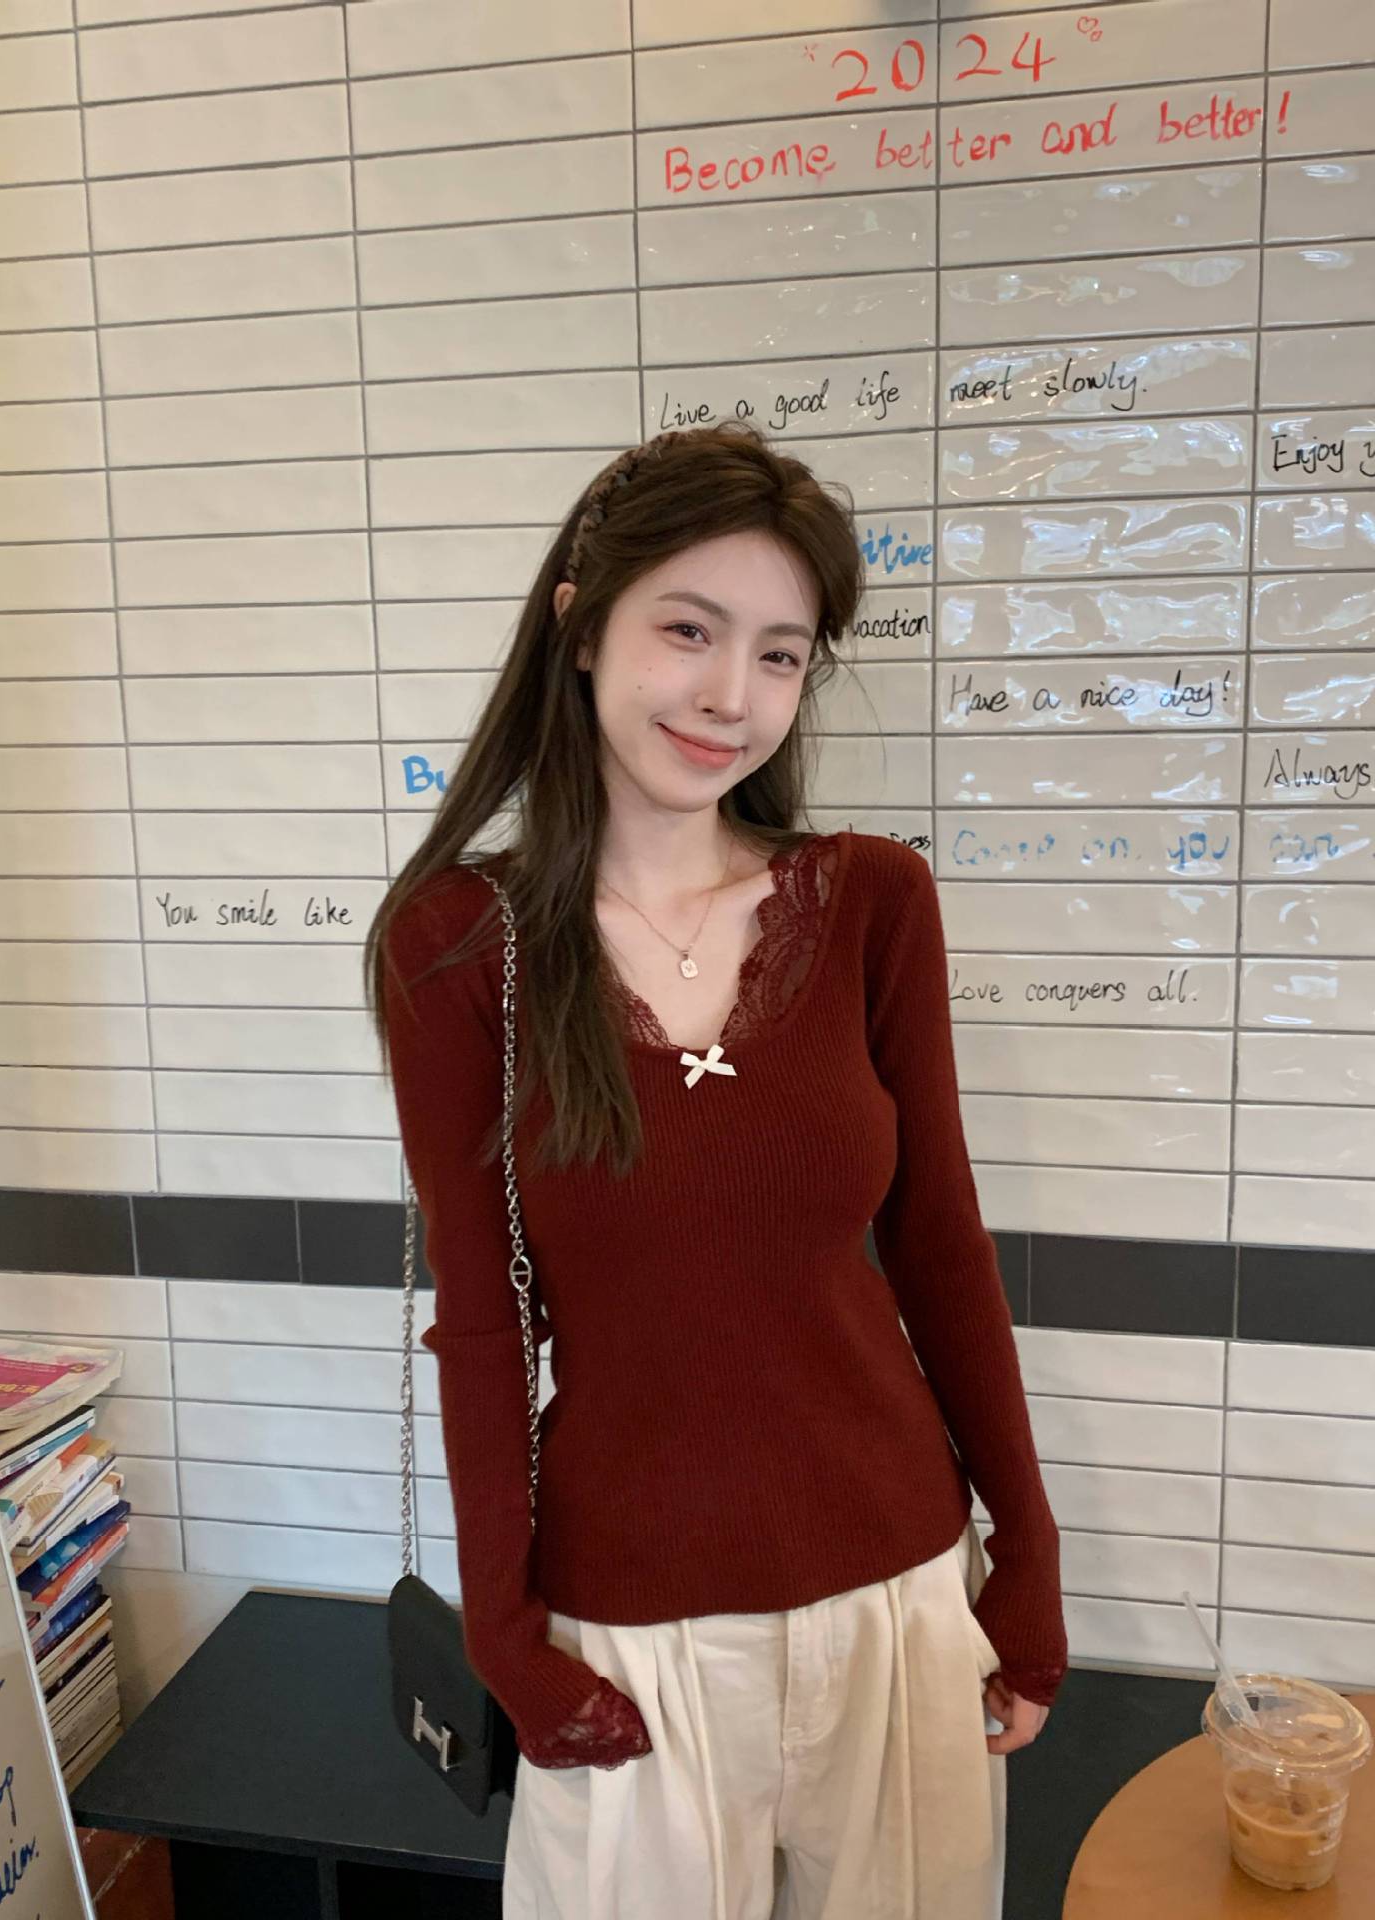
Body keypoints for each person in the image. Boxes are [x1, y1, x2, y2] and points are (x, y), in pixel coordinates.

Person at [364, 421, 1067, 1919]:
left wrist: (1030, 1554)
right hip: (630, 1629)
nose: (730, 696)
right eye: (689, 630)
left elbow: (940, 1244)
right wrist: (503, 1632)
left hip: (897, 1599)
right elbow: (484, 1322)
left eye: (780, 654)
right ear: (581, 625)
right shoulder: (456, 944)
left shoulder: (873, 901)